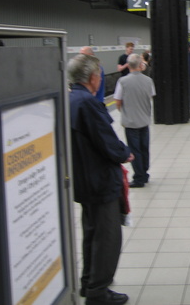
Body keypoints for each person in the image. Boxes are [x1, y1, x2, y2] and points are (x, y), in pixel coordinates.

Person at [68, 54, 133, 305]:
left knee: (91, 233)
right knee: (107, 237)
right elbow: (106, 141)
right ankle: (98, 292)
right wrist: (125, 153)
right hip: (100, 181)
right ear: (94, 78)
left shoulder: (70, 99)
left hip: (83, 180)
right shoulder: (88, 103)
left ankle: (88, 283)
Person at [114, 53, 156, 188]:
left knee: (135, 150)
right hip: (144, 120)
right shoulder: (148, 81)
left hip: (130, 122)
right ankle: (144, 173)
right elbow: (150, 96)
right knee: (145, 148)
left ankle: (139, 178)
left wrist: (123, 111)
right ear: (140, 65)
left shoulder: (123, 81)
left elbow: (118, 101)